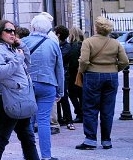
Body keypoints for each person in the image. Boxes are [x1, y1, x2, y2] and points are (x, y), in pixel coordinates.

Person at [0, 19, 63, 160]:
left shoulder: (10, 48)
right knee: (0, 140)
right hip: (2, 98)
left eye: (14, 31)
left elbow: (26, 64)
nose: (13, 34)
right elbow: (0, 72)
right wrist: (17, 59)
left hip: (17, 97)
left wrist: (23, 48)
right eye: (8, 31)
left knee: (27, 138)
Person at [76, 16, 130, 150]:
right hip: (111, 76)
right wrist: (114, 69)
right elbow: (124, 61)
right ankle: (106, 140)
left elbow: (83, 61)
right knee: (108, 109)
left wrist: (82, 71)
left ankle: (90, 140)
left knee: (90, 108)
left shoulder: (88, 42)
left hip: (92, 75)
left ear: (96, 28)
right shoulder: (115, 43)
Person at [21, 14, 64, 160]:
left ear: (32, 27)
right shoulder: (53, 44)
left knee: (28, 121)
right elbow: (59, 69)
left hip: (28, 84)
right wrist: (60, 90)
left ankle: (28, 155)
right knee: (44, 120)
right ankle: (46, 156)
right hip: (48, 83)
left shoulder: (24, 42)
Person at [53, 26, 74, 129]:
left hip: (64, 74)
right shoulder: (57, 45)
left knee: (64, 97)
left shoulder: (66, 46)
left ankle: (69, 119)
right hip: (56, 73)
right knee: (56, 97)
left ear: (58, 35)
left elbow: (59, 57)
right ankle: (59, 118)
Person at [64, 26, 84, 128]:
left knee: (72, 94)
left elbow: (73, 62)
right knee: (81, 94)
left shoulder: (73, 46)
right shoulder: (83, 44)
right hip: (82, 73)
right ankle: (82, 113)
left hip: (74, 74)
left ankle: (79, 113)